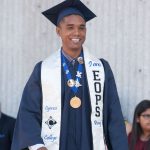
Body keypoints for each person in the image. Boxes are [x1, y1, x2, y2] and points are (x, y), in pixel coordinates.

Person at [11, 0, 128, 150]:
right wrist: (38, 145)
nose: (77, 33)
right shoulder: (43, 70)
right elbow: (28, 112)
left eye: (82, 28)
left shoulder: (101, 69)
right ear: (58, 31)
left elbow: (114, 115)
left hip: (90, 144)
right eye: (70, 27)